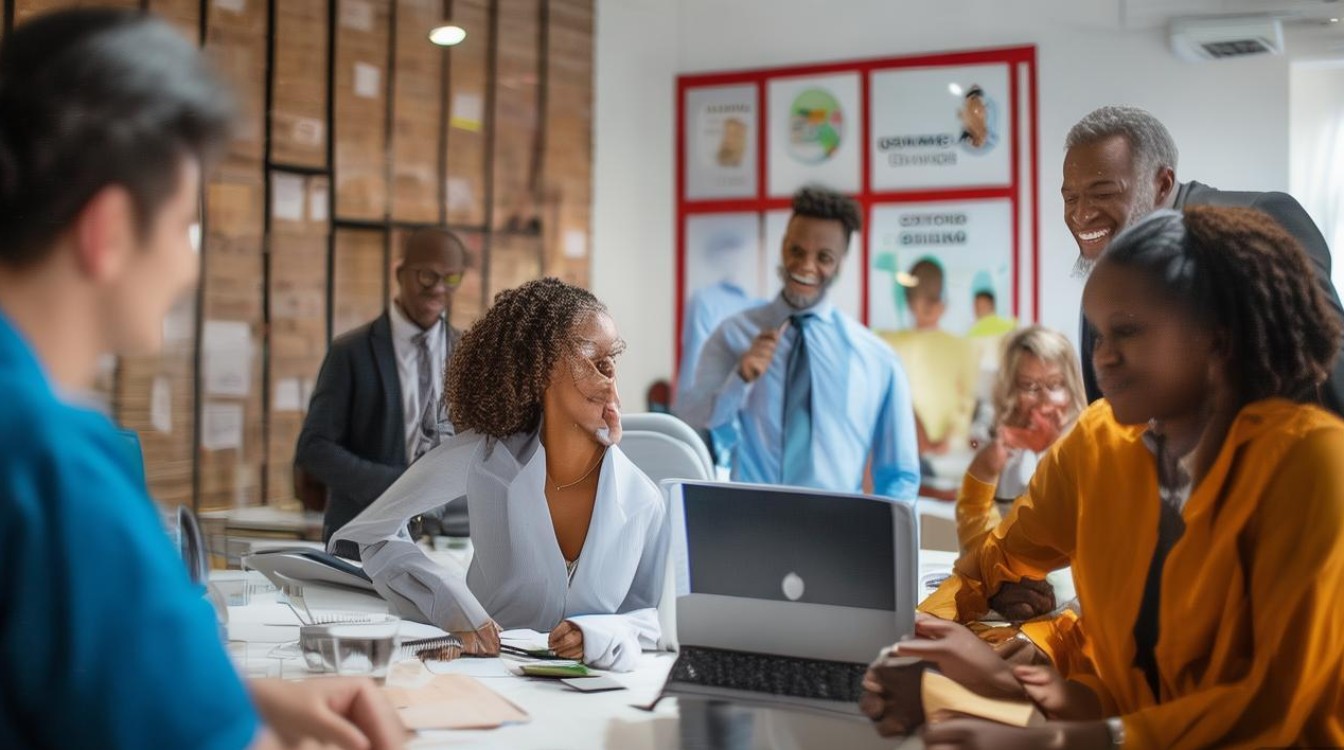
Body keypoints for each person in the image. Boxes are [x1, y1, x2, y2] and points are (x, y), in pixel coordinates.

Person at [0, 9, 404, 749]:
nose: (190, 265)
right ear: (108, 231)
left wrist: (241, 694)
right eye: (187, 224)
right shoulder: (57, 465)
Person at [863, 206, 1344, 747]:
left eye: (1127, 331)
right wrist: (929, 643)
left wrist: (1052, 739)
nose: (1103, 357)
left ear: (1216, 335)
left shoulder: (1311, 463)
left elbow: (1273, 710)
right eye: (1097, 334)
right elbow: (995, 564)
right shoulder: (1097, 443)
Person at [332, 278, 668, 673]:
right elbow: (372, 532)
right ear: (541, 367)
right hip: (484, 673)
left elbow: (659, 618)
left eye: (614, 357)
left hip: (592, 689)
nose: (610, 373)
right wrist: (450, 601)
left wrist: (599, 633)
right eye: (594, 358)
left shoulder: (642, 499)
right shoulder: (486, 457)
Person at [1061, 105, 1344, 415]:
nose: (1081, 214)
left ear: (1162, 184)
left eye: (1103, 193)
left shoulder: (1254, 220)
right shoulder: (1110, 278)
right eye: (1070, 198)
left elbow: (1330, 351)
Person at [677, 186, 919, 500]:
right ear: (783, 246)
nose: (806, 265)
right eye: (797, 251)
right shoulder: (733, 335)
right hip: (750, 517)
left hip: (836, 525)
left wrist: (883, 531)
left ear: (840, 263)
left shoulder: (877, 359)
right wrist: (738, 380)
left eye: (824, 257)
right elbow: (692, 430)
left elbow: (900, 476)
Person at [296, 227, 470, 556]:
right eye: (427, 275)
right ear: (400, 273)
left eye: (450, 278)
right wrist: (400, 486)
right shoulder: (350, 352)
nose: (438, 288)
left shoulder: (468, 353)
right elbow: (313, 449)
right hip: (363, 539)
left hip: (451, 542)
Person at [953, 325, 1085, 554]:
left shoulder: (1087, 447)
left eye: (1055, 385)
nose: (1044, 401)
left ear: (1071, 386)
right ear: (1011, 391)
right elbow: (976, 549)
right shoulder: (995, 449)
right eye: (1029, 387)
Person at [880, 257, 977, 461]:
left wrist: (951, 438)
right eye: (921, 295)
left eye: (934, 295)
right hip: (897, 448)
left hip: (949, 456)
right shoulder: (886, 343)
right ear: (909, 300)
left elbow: (967, 400)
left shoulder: (963, 348)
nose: (928, 303)